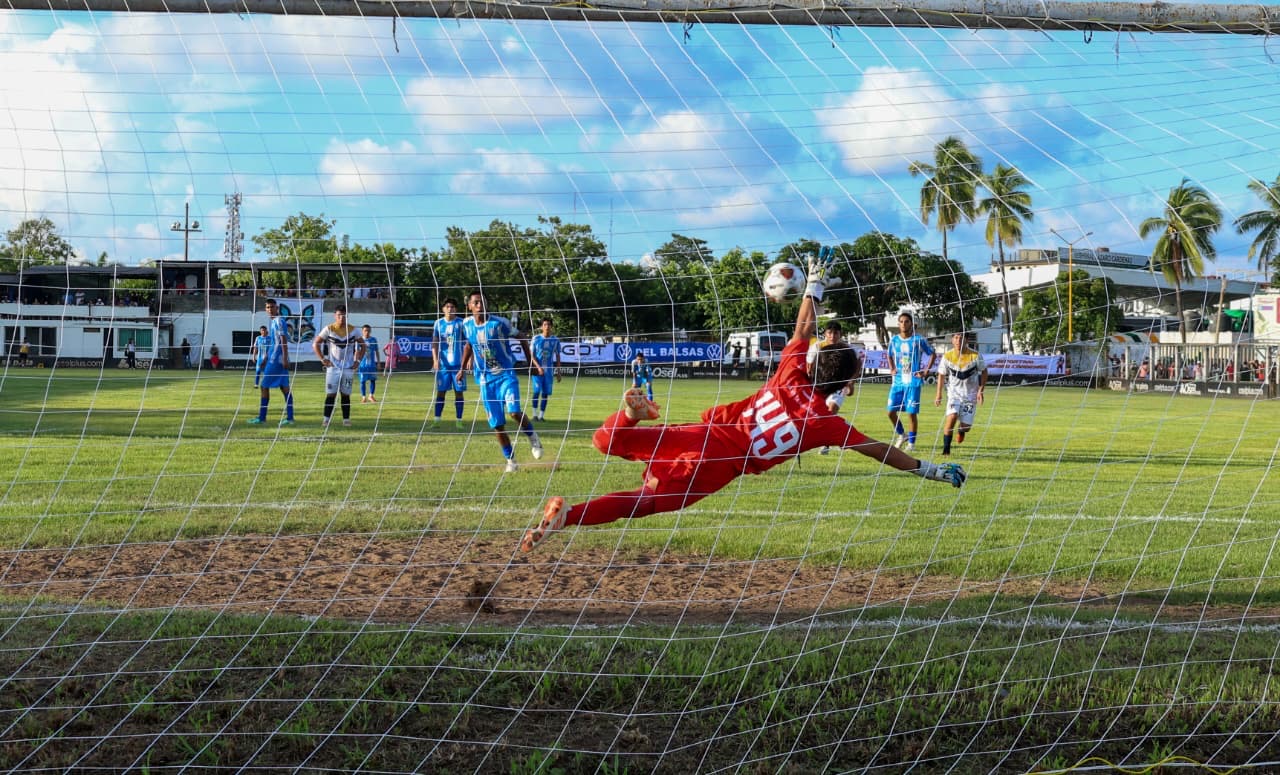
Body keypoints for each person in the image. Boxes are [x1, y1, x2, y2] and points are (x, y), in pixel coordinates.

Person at [521, 250, 965, 553]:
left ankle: (627, 418)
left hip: (704, 433)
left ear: (813, 366)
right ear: (845, 382)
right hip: (720, 464)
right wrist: (934, 471)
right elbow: (883, 452)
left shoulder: (790, 373)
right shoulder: (827, 423)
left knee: (606, 443)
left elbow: (803, 332)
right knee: (646, 500)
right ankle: (571, 518)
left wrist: (814, 286)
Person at [461, 291, 543, 473]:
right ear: (470, 306)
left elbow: (521, 336)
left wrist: (529, 360)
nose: (480, 305)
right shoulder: (466, 324)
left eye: (483, 302)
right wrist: (462, 367)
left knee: (514, 412)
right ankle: (511, 461)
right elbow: (468, 344)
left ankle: (533, 438)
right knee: (497, 424)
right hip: (485, 380)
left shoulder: (499, 323)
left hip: (506, 374)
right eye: (476, 302)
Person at [886, 311, 936, 453]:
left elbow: (932, 353)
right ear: (898, 324)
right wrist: (892, 368)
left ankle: (911, 444)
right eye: (901, 321)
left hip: (913, 382)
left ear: (912, 324)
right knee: (890, 412)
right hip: (898, 382)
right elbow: (889, 355)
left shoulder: (918, 340)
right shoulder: (894, 340)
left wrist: (926, 370)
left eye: (906, 321)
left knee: (911, 413)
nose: (903, 324)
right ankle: (902, 435)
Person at [806, 320, 858, 455]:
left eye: (836, 333)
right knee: (818, 412)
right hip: (821, 384)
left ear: (840, 334)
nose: (832, 336)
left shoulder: (847, 349)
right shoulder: (817, 347)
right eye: (830, 332)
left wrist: (850, 382)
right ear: (825, 334)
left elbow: (857, 366)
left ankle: (825, 444)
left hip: (838, 384)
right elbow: (809, 367)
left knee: (831, 409)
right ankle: (843, 427)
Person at [934, 332, 987, 456]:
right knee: (951, 417)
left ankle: (961, 431)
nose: (958, 340)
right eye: (956, 338)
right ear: (952, 340)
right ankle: (946, 451)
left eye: (961, 338)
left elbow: (984, 372)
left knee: (965, 427)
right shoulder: (947, 356)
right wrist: (939, 394)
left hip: (970, 396)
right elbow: (941, 375)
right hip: (954, 395)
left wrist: (981, 390)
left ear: (967, 340)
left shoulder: (975, 356)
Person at [313, 305, 365, 428]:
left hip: (348, 368)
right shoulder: (329, 329)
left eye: (344, 315)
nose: (342, 317)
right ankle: (326, 420)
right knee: (331, 394)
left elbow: (363, 345)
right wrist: (323, 359)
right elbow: (316, 344)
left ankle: (346, 420)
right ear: (335, 316)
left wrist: (358, 360)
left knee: (345, 394)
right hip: (333, 368)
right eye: (339, 315)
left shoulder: (353, 330)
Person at [248, 298, 295, 426]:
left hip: (277, 360)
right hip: (274, 358)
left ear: (277, 308)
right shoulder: (274, 321)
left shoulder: (279, 321)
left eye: (272, 307)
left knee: (264, 386)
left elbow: (283, 340)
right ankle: (290, 418)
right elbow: (275, 343)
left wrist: (284, 358)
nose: (270, 309)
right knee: (284, 387)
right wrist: (265, 358)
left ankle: (262, 418)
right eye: (268, 307)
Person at [430, 299, 468, 428]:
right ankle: (437, 420)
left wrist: (469, 360)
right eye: (447, 306)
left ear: (456, 309)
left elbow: (469, 342)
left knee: (459, 392)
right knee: (441, 392)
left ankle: (459, 421)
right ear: (443, 309)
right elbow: (434, 343)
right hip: (443, 366)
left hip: (458, 366)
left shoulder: (461, 323)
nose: (450, 309)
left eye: (452, 306)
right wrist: (435, 360)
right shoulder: (438, 323)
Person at [529, 317, 561, 421]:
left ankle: (541, 416)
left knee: (545, 393)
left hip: (549, 371)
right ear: (541, 327)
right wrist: (538, 368)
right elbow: (531, 356)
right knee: (536, 391)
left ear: (551, 327)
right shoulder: (536, 338)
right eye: (545, 324)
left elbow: (558, 356)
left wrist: (558, 372)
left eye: (549, 325)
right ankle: (534, 415)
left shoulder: (555, 340)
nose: (547, 327)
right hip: (537, 371)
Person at [358, 325, 381, 403]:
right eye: (365, 330)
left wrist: (378, 362)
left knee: (373, 380)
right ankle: (363, 397)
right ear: (362, 331)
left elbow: (377, 351)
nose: (367, 332)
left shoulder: (373, 340)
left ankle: (371, 396)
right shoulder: (359, 340)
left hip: (371, 364)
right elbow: (356, 352)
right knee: (362, 381)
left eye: (368, 330)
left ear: (370, 331)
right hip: (362, 364)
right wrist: (355, 362)